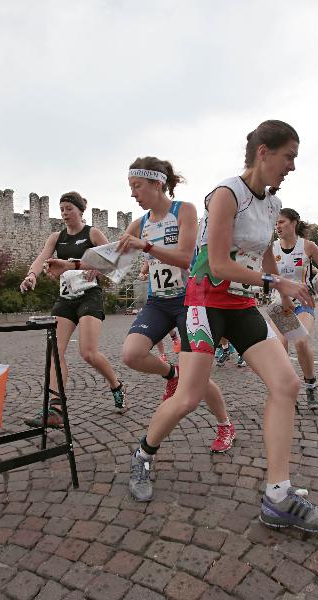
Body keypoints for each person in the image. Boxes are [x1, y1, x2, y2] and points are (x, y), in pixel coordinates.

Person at [128, 121, 318, 533]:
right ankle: (143, 454)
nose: (292, 166)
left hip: (241, 304)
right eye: (289, 156)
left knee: (286, 385)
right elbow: (220, 264)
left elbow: (264, 257)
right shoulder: (226, 195)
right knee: (189, 398)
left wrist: (282, 298)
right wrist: (277, 282)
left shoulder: (273, 205)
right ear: (264, 152)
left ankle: (278, 496)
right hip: (204, 302)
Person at [119, 156, 235, 454]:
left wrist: (145, 246)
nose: (133, 193)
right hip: (158, 301)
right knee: (131, 355)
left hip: (189, 301)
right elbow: (111, 257)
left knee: (197, 377)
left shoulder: (184, 211)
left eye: (137, 186)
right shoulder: (140, 223)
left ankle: (224, 424)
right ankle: (170, 374)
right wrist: (77, 264)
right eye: (131, 187)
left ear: (157, 184)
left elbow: (186, 257)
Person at [20, 191, 127, 426]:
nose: (65, 213)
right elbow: (41, 258)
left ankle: (116, 385)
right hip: (66, 298)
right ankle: (56, 410)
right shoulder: (56, 237)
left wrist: (98, 269)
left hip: (90, 296)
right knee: (54, 352)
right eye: (62, 209)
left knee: (88, 353)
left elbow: (114, 259)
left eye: (69, 208)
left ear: (80, 210)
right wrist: (31, 275)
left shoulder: (92, 234)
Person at [274, 208, 318, 409]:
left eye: (282, 222)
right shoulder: (271, 248)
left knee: (300, 341)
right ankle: (285, 390)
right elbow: (262, 274)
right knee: (280, 344)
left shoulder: (308, 246)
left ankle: (311, 384)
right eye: (276, 223)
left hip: (303, 303)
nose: (278, 226)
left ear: (294, 223)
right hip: (281, 305)